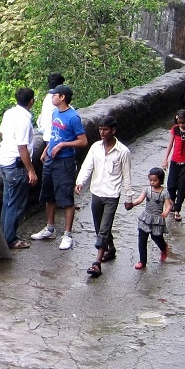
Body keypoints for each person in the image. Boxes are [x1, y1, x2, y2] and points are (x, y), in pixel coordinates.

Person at [30, 85, 89, 250]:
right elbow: (55, 135)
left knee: (65, 198)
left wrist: (63, 145)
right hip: (51, 159)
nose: (51, 97)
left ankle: (67, 234)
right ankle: (50, 228)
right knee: (49, 195)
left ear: (62, 97)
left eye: (54, 95)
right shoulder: (55, 113)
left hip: (65, 161)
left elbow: (83, 141)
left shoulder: (73, 117)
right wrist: (47, 149)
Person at [75, 118, 133, 277]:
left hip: (112, 194)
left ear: (113, 130)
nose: (102, 132)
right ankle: (111, 248)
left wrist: (129, 197)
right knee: (100, 226)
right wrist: (80, 181)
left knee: (104, 228)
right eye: (100, 129)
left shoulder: (123, 152)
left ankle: (97, 263)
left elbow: (126, 176)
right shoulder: (95, 147)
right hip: (96, 192)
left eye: (105, 129)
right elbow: (87, 165)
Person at [0, 87, 38, 249]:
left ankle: (3, 236)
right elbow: (23, 148)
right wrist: (31, 170)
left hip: (5, 161)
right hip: (16, 165)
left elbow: (1, 133)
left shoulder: (9, 113)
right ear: (31, 101)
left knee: (8, 201)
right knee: (16, 203)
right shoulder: (24, 120)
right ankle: (10, 239)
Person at [126, 168, 174, 269]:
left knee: (156, 237)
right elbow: (140, 199)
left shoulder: (164, 193)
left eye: (155, 180)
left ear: (160, 180)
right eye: (150, 180)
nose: (152, 182)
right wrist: (132, 204)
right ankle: (142, 261)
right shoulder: (147, 190)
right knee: (142, 240)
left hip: (157, 219)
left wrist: (165, 212)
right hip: (146, 217)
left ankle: (164, 247)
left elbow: (168, 205)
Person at [30, 72, 64, 205]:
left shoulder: (47, 98)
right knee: (57, 170)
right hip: (52, 137)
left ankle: (55, 199)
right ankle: (58, 200)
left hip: (47, 135)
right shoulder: (54, 100)